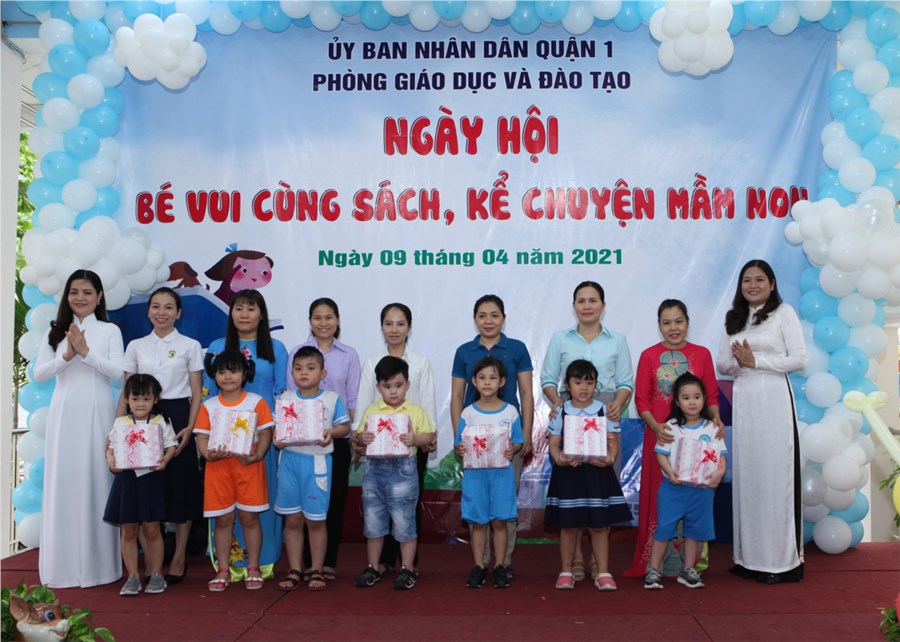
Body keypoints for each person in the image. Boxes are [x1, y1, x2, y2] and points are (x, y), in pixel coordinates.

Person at [716, 259, 807, 584]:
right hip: (745, 400)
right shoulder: (734, 318)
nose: (752, 285)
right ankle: (748, 558)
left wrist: (758, 361)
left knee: (774, 476)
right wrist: (741, 364)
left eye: (759, 280)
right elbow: (722, 363)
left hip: (774, 399)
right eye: (746, 280)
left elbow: (799, 359)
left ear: (771, 283)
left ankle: (780, 562)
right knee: (749, 475)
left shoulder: (783, 313)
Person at [33, 269, 125, 588]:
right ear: (67, 296)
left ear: (99, 296)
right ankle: (62, 566)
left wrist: (86, 353)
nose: (80, 297)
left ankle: (99, 567)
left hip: (97, 410)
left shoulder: (110, 331)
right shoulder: (55, 332)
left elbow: (118, 372)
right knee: (65, 480)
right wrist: (67, 356)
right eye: (74, 291)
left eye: (87, 292)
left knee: (96, 479)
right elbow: (39, 374)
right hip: (64, 412)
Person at [624, 299, 722, 579]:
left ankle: (689, 564)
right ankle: (655, 564)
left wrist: (715, 418)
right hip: (661, 438)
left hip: (697, 438)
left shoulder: (702, 354)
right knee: (662, 496)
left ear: (688, 323)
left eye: (679, 321)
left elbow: (711, 396)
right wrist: (657, 427)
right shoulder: (649, 355)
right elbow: (642, 400)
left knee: (695, 494)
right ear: (659, 326)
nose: (673, 328)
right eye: (666, 323)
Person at [541, 281, 633, 581]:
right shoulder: (560, 338)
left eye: (593, 300)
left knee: (600, 489)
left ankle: (599, 562)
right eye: (581, 300)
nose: (587, 306)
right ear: (574, 306)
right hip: (570, 413)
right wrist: (558, 405)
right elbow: (548, 379)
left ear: (603, 305)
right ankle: (575, 561)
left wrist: (616, 405)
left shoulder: (617, 340)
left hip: (605, 414)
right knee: (574, 489)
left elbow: (625, 381)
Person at [118, 287, 203, 585]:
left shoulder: (191, 345)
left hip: (178, 417)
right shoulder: (136, 346)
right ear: (148, 311)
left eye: (168, 307)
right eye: (155, 306)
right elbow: (126, 392)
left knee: (181, 489)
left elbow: (196, 392)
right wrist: (118, 429)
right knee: (144, 489)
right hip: (142, 418)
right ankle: (150, 564)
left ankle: (178, 557)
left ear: (178, 313)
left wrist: (190, 428)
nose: (161, 312)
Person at [205, 289, 287, 580]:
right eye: (239, 308)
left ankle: (261, 562)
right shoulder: (217, 347)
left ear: (261, 315)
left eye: (251, 309)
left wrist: (273, 430)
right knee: (224, 503)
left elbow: (281, 392)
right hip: (224, 440)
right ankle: (228, 564)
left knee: (260, 501)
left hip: (261, 438)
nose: (244, 314)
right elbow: (208, 392)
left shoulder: (275, 348)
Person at [451, 294, 533, 577]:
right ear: (474, 319)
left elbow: (526, 393)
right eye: (482, 315)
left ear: (504, 319)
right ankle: (481, 563)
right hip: (474, 444)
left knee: (504, 503)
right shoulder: (464, 352)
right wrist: (459, 439)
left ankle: (503, 562)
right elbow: (457, 396)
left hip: (509, 442)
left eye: (495, 315)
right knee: (478, 504)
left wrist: (526, 434)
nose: (488, 320)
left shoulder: (517, 348)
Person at [356, 303, 437, 575]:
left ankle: (408, 565)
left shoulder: (421, 362)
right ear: (381, 327)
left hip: (412, 445)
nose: (394, 329)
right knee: (377, 509)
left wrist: (427, 436)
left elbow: (427, 402)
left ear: (409, 327)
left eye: (400, 323)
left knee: (407, 507)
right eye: (388, 323)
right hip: (377, 451)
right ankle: (380, 562)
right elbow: (364, 405)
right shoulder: (372, 363)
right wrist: (359, 436)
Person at [287, 297, 361, 581]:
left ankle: (326, 562)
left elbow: (352, 399)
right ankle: (304, 563)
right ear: (310, 321)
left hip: (337, 438)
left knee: (334, 499)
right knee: (302, 502)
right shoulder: (297, 353)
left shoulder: (349, 355)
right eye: (317, 317)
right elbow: (289, 397)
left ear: (338, 320)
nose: (323, 323)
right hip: (300, 441)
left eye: (329, 317)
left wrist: (353, 435)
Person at [545, 360, 632, 592]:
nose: (583, 387)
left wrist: (610, 458)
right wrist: (559, 458)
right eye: (577, 382)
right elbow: (553, 443)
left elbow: (612, 442)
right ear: (567, 385)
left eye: (589, 382)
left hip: (597, 474)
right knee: (568, 526)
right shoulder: (560, 411)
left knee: (599, 525)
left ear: (596, 385)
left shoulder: (606, 410)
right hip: (569, 474)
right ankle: (566, 571)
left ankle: (603, 572)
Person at [194, 350, 274, 592]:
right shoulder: (208, 406)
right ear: (214, 375)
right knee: (223, 519)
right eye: (221, 372)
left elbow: (265, 432)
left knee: (250, 518)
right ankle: (223, 569)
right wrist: (208, 454)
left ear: (245, 373)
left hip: (249, 468)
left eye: (233, 371)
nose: (227, 376)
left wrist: (258, 455)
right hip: (218, 471)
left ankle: (253, 567)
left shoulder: (256, 402)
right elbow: (202, 437)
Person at [274, 347, 351, 592]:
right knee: (293, 519)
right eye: (298, 369)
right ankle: (296, 569)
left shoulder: (331, 398)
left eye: (310, 368)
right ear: (292, 373)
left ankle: (317, 568)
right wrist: (277, 438)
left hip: (317, 463)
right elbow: (277, 429)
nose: (303, 373)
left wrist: (331, 433)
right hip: (289, 462)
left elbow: (345, 427)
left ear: (322, 373)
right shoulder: (285, 398)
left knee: (316, 520)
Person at [645, 373, 727, 591]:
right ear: (677, 401)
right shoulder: (670, 427)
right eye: (686, 397)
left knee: (695, 531)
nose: (692, 402)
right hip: (673, 488)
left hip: (702, 491)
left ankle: (688, 569)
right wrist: (670, 472)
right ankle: (653, 569)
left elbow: (721, 457)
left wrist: (719, 473)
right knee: (665, 527)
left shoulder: (712, 428)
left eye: (697, 397)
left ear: (704, 400)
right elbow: (661, 454)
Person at [104, 374, 178, 596]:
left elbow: (171, 445)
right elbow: (110, 448)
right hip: (127, 481)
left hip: (151, 480)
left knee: (152, 528)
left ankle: (156, 574)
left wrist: (165, 460)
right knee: (128, 529)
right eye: (135, 399)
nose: (140, 404)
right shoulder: (120, 423)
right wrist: (111, 460)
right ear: (127, 399)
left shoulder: (161, 421)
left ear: (155, 399)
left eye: (146, 399)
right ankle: (133, 577)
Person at [454, 357, 523, 589]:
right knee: (479, 523)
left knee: (500, 521)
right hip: (475, 476)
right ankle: (479, 566)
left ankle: (500, 565)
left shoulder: (511, 412)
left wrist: (512, 449)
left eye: (493, 378)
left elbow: (518, 441)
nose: (487, 382)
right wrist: (460, 448)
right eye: (482, 378)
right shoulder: (468, 413)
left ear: (502, 382)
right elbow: (459, 444)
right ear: (474, 381)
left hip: (502, 475)